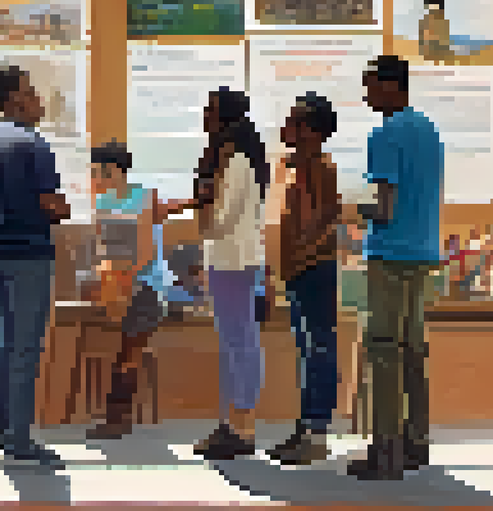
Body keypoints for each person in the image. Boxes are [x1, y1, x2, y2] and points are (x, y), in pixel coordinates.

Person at [351, 54, 444, 480]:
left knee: (383, 351)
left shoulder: (385, 133)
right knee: (413, 351)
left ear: (392, 85)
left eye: (370, 85)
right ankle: (416, 442)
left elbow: (382, 207)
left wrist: (347, 208)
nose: (367, 94)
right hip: (423, 252)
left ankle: (384, 450)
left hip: (389, 254)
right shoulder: (429, 130)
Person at [0, 63, 67, 466]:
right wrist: (64, 206)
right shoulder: (33, 143)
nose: (37, 100)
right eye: (30, 92)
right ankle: (20, 441)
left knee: (8, 342)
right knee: (26, 347)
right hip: (29, 252)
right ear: (13, 99)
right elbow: (51, 204)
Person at [189, 88, 268, 461]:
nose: (205, 116)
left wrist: (201, 212)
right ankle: (233, 422)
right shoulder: (229, 157)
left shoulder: (236, 160)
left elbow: (222, 220)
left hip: (234, 259)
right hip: (227, 259)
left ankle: (243, 426)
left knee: (241, 340)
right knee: (234, 340)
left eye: (211, 110)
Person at [268, 92, 343, 465]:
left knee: (319, 350)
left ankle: (316, 433)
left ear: (313, 132)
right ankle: (305, 428)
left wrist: (301, 252)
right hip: (300, 271)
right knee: (308, 351)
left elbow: (327, 221)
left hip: (314, 270)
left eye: (295, 122)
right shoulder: (295, 166)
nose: (287, 128)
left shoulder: (321, 169)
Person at [84, 140, 168, 441]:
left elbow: (146, 250)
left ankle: (117, 418)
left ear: (114, 170)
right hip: (115, 282)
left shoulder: (145, 198)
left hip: (144, 285)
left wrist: (126, 278)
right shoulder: (103, 201)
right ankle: (115, 417)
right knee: (118, 349)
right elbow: (101, 244)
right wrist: (107, 274)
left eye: (97, 172)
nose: (94, 178)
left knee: (127, 351)